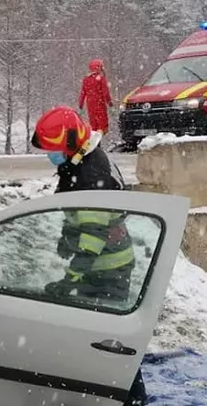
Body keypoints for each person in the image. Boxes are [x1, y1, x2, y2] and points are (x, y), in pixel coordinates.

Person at [30, 106, 132, 302]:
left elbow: (93, 238)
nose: (50, 155)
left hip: (108, 268)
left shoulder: (90, 177)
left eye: (53, 149)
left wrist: (69, 281)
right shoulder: (82, 162)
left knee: (101, 327)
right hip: (99, 263)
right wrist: (67, 237)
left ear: (69, 143)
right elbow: (80, 214)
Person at [78, 59, 113, 137]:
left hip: (90, 107)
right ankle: (98, 144)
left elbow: (83, 93)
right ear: (99, 67)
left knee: (94, 126)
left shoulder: (86, 79)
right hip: (100, 105)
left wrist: (80, 106)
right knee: (102, 126)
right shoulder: (101, 79)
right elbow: (106, 93)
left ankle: (95, 145)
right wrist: (110, 104)